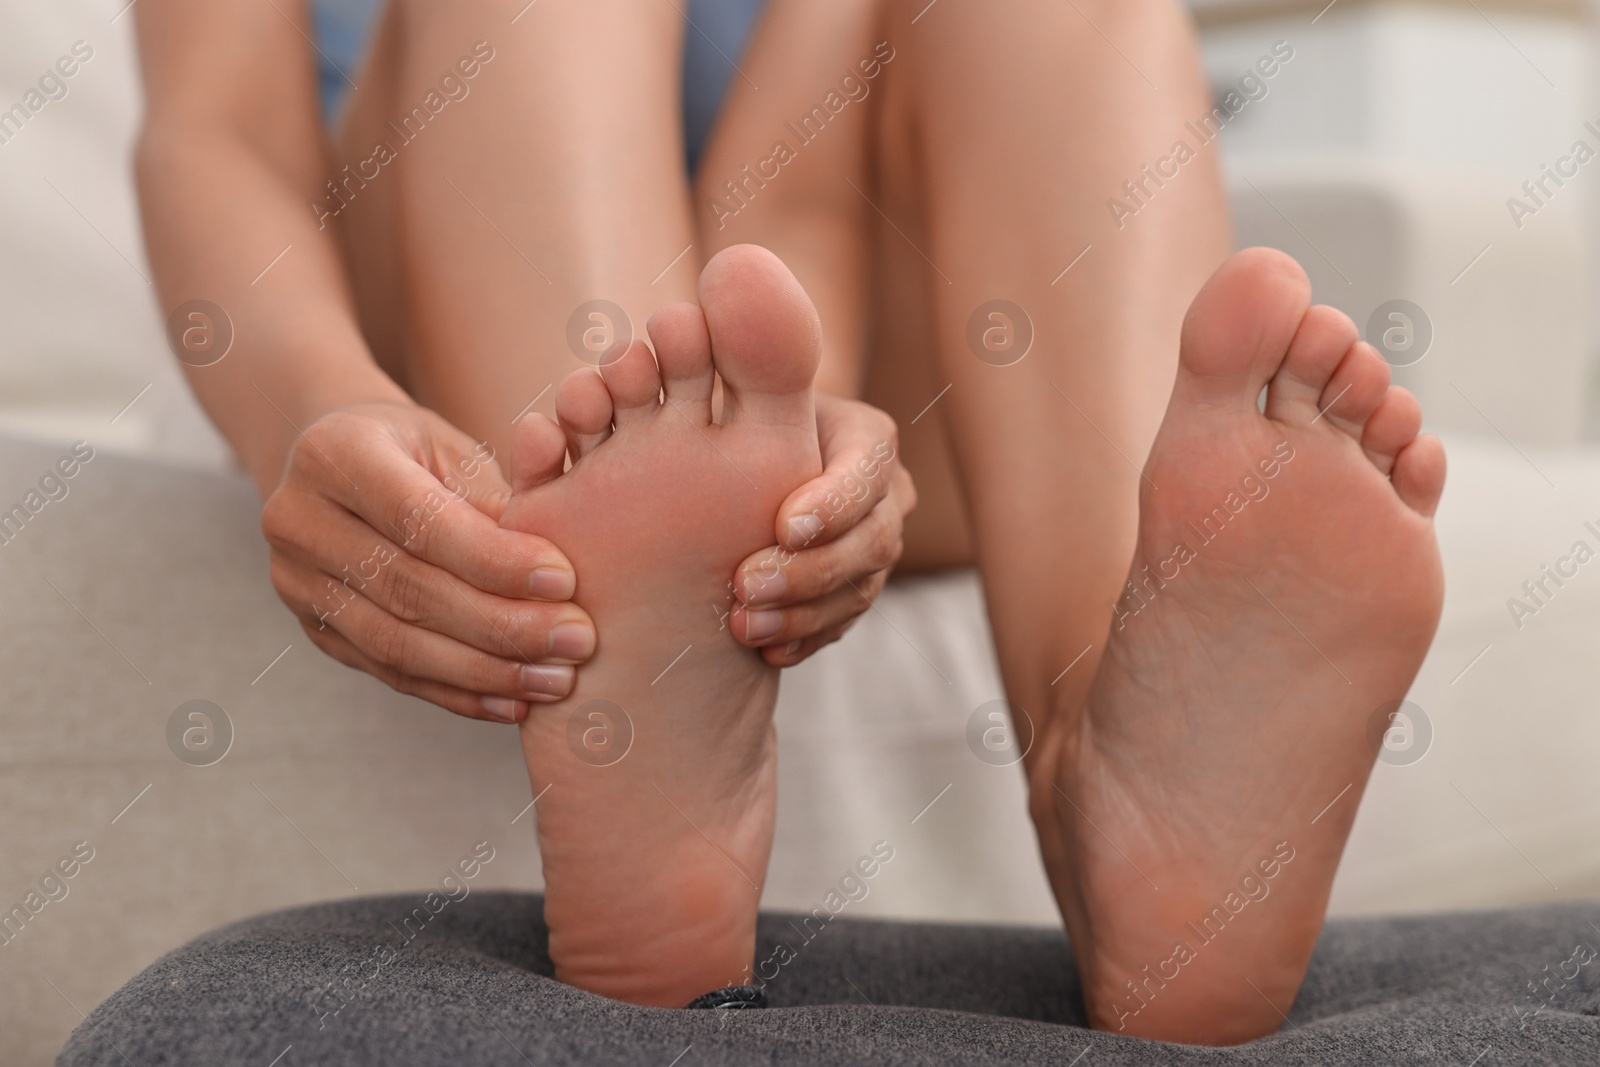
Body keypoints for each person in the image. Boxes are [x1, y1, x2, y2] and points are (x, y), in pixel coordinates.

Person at [131, 0, 1445, 1044]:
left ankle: (1108, 767)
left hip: (808, 367)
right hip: (445, 342)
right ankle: (630, 614)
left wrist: (796, 430)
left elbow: (797, 183)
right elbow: (215, 130)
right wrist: (314, 404)